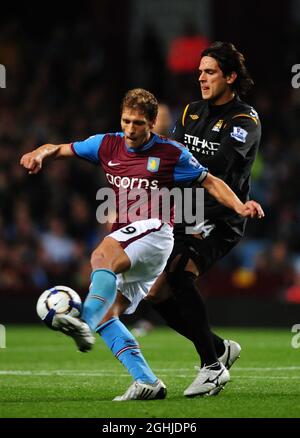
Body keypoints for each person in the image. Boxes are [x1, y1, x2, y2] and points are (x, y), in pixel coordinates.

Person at [20, 88, 264, 400]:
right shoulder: (105, 144)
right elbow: (60, 148)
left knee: (101, 254)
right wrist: (40, 153)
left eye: (138, 123)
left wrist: (239, 206)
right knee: (111, 314)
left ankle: (84, 319)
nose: (131, 129)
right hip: (133, 242)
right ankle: (147, 381)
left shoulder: (170, 154)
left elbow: (211, 182)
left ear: (151, 123)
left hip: (156, 233)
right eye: (126, 121)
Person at [145, 41, 262, 397]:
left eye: (209, 71)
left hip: (221, 216)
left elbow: (219, 169)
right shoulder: (190, 112)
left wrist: (175, 169)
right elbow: (171, 157)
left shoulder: (245, 120)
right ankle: (220, 349)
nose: (202, 78)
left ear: (230, 76)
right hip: (185, 213)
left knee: (180, 276)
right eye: (200, 71)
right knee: (156, 294)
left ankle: (211, 367)